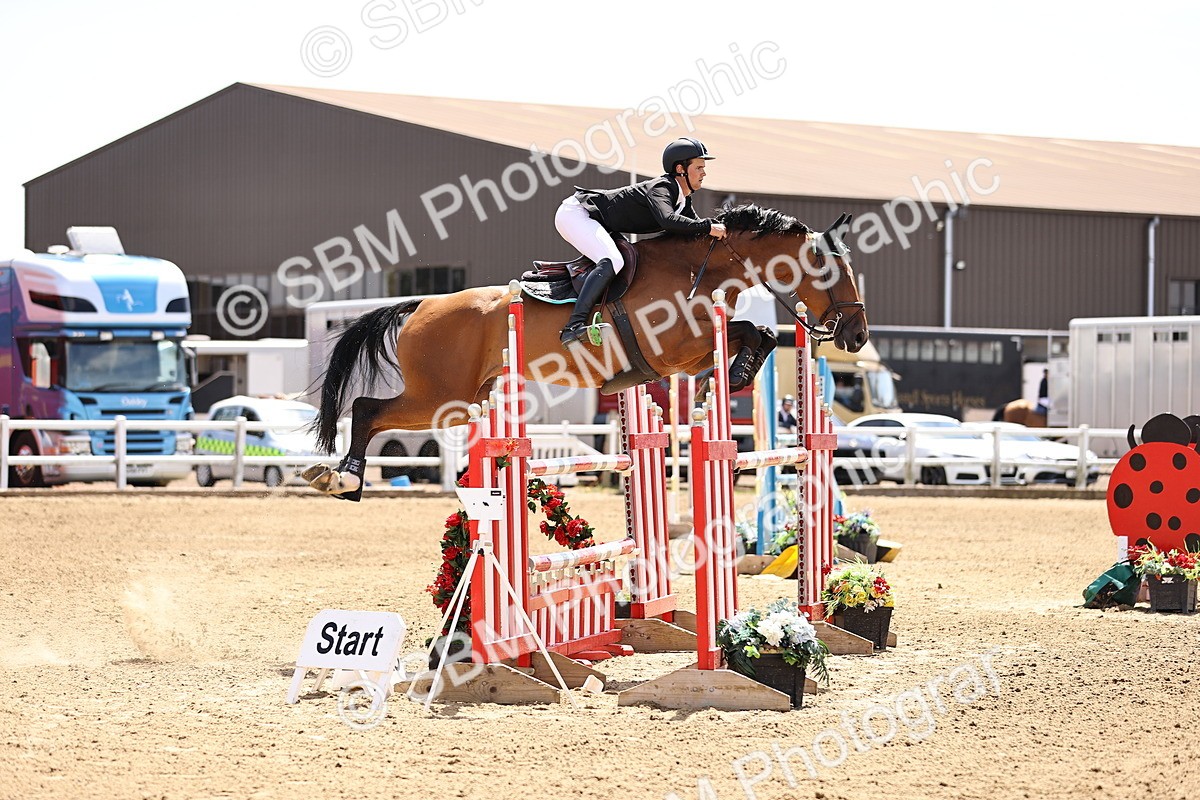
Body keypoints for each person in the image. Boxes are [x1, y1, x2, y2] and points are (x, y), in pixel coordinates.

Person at [554, 137, 728, 345]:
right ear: (680, 169)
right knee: (613, 260)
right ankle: (573, 327)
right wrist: (708, 227)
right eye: (699, 167)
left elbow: (694, 232)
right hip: (576, 214)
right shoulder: (661, 188)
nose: (704, 173)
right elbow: (668, 220)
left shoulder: (683, 200)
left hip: (599, 222)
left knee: (626, 260)